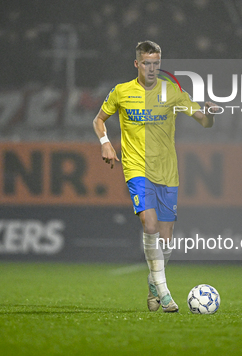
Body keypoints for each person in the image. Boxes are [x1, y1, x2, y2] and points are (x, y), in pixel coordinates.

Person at [92, 40, 218, 312]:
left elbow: (203, 121)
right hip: (137, 168)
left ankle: (152, 283)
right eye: (146, 63)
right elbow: (99, 119)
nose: (151, 68)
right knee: (149, 225)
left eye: (156, 64)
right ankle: (164, 292)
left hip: (167, 171)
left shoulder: (172, 92)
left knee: (166, 239)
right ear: (137, 64)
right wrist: (104, 142)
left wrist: (209, 114)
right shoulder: (121, 92)